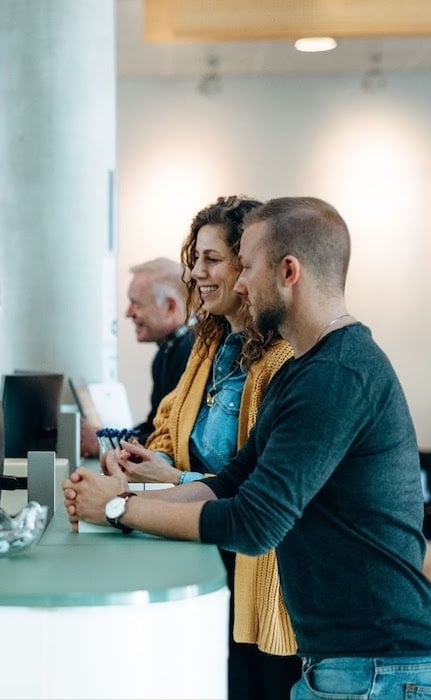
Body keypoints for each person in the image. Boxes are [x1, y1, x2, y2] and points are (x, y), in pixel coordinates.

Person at [64, 197, 431, 699]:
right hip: (351, 662)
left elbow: (253, 522)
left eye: (245, 267)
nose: (239, 283)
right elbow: (227, 485)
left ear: (288, 272)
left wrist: (119, 508)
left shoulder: (335, 376)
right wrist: (117, 500)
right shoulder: (304, 371)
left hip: (378, 667)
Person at [113, 196, 299, 699]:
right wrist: (159, 464)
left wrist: (163, 484)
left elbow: (254, 491)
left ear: (250, 264)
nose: (196, 273)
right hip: (208, 545)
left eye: (211, 259)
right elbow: (169, 428)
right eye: (194, 260)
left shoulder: (283, 361)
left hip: (260, 571)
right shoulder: (209, 345)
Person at [81, 257, 193, 456]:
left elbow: (169, 438)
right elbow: (154, 427)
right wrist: (105, 437)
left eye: (136, 303)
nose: (127, 313)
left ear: (170, 306)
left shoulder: (190, 354)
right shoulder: (166, 354)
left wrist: (102, 443)